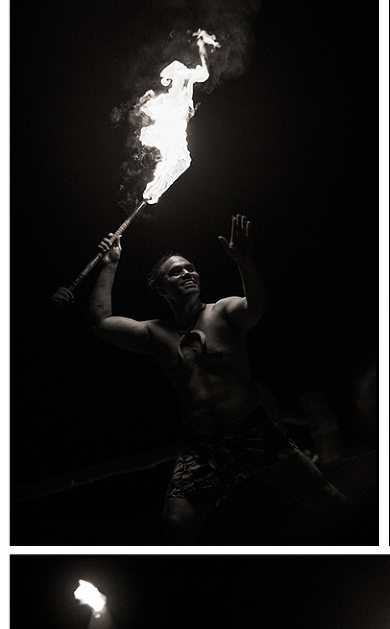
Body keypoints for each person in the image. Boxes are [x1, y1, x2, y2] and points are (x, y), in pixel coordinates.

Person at [86, 213, 345, 541]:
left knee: (327, 498)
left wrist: (244, 262)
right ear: (161, 287)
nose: (187, 273)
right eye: (175, 272)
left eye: (190, 268)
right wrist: (110, 262)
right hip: (203, 447)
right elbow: (99, 321)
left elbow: (256, 307)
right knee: (176, 527)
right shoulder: (155, 333)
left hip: (253, 433)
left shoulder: (222, 311)